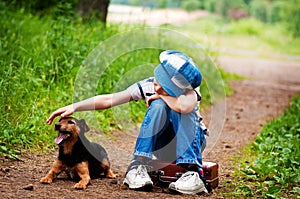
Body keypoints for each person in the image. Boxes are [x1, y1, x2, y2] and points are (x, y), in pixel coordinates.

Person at [46, 50, 209, 195]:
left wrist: (163, 97)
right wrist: (75, 107)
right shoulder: (149, 84)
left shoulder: (189, 90)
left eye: (166, 88)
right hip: (162, 144)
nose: (158, 89)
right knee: (158, 105)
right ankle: (138, 166)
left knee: (178, 109)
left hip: (190, 144)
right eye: (159, 84)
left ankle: (193, 172)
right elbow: (109, 99)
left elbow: (185, 106)